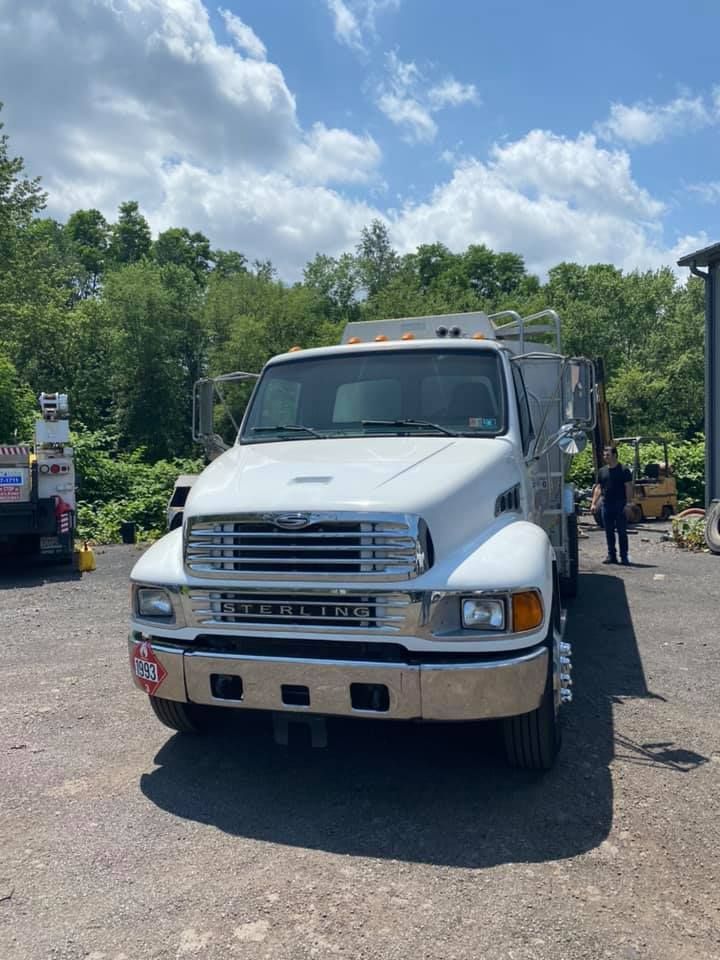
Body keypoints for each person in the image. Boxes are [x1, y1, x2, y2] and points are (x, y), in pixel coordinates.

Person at [591, 446, 633, 565]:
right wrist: (594, 503)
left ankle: (624, 556)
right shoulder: (602, 471)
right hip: (606, 504)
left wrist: (628, 504)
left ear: (615, 455)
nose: (605, 457)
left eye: (607, 455)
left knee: (622, 531)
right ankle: (612, 555)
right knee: (608, 531)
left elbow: (628, 487)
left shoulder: (624, 470)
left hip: (620, 504)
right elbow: (599, 488)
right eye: (604, 455)